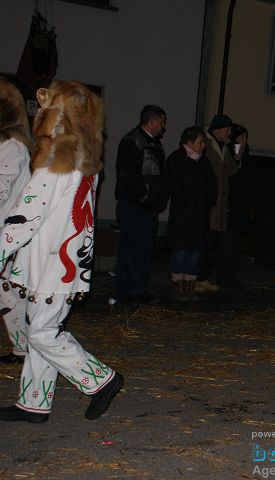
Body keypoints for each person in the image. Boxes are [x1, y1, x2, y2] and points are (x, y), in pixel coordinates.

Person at [0, 81, 123, 423]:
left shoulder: (58, 161)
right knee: (39, 326)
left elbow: (26, 216)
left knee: (42, 332)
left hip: (52, 263)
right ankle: (34, 402)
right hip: (65, 262)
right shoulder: (85, 160)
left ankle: (100, 379)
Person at [114, 104, 169, 304]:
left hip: (148, 207)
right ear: (152, 121)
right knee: (130, 249)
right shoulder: (132, 142)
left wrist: (157, 199)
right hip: (134, 207)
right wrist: (144, 196)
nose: (164, 127)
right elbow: (127, 176)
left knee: (144, 250)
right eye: (162, 122)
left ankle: (139, 289)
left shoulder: (153, 143)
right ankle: (124, 291)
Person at [0, 77, 32, 364]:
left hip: (8, 232)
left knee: (10, 293)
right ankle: (22, 348)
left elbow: (1, 190)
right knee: (7, 294)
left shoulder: (12, 146)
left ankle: (26, 348)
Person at [166, 127, 217, 302]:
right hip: (182, 215)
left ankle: (189, 286)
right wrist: (188, 198)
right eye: (200, 142)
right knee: (180, 251)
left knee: (195, 253)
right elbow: (174, 185)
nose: (203, 145)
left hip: (200, 216)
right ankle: (177, 286)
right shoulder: (176, 159)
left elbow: (212, 186)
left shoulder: (204, 162)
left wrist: (206, 200)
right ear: (189, 142)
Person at [197, 114, 238, 292]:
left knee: (214, 244)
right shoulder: (205, 143)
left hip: (220, 206)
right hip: (209, 204)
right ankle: (196, 278)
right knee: (205, 243)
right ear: (218, 129)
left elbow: (231, 171)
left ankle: (204, 277)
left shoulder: (224, 147)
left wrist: (233, 154)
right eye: (227, 130)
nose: (229, 134)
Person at [218, 124, 255, 285]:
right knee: (227, 242)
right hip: (230, 204)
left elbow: (248, 179)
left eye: (246, 137)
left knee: (235, 243)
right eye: (242, 137)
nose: (244, 141)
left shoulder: (246, 155)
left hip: (240, 205)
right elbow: (231, 175)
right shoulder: (230, 153)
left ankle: (230, 274)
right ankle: (224, 274)